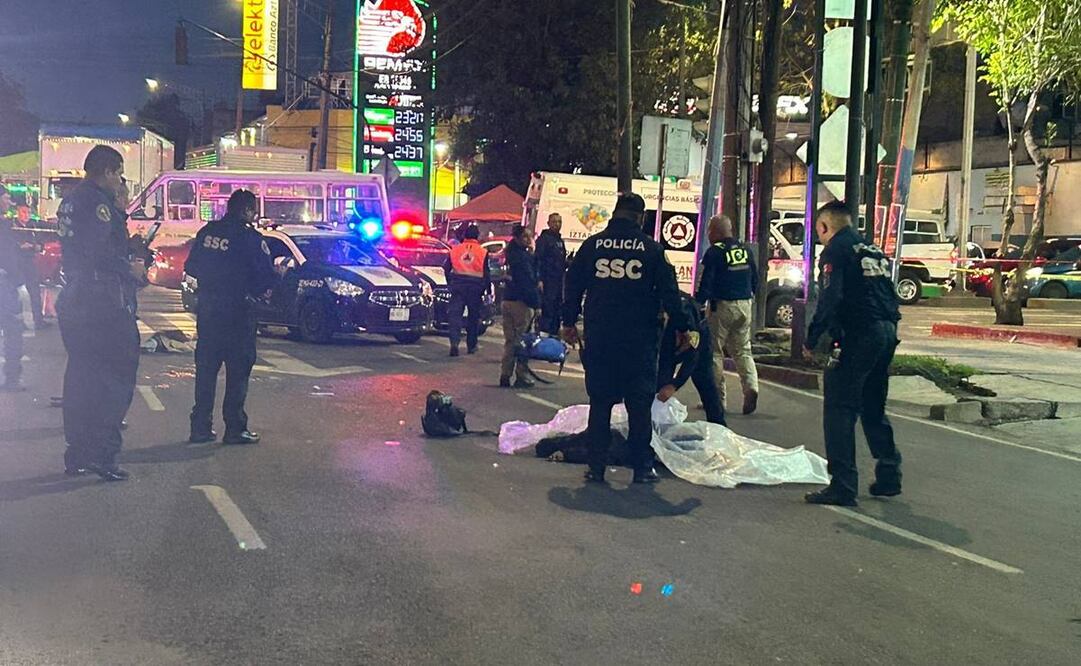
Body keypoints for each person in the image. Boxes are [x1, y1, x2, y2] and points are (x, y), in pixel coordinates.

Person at [562, 192, 688, 484]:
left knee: (601, 403)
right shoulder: (652, 250)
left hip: (601, 337)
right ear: (640, 218)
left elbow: (573, 284)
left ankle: (596, 467)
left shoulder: (593, 246)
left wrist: (568, 322)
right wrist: (682, 326)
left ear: (614, 214)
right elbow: (670, 294)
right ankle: (642, 468)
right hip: (639, 340)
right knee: (639, 405)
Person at [802, 201, 902, 507]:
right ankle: (889, 473)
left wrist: (812, 337)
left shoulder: (834, 250)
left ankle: (843, 485)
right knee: (872, 405)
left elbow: (830, 298)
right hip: (886, 331)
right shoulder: (871, 248)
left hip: (859, 334)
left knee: (839, 408)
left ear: (824, 227)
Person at [55, 145, 146, 481]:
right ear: (107, 171)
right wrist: (130, 268)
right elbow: (98, 254)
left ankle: (77, 451)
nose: (119, 179)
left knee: (81, 377)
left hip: (77, 298)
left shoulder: (71, 200)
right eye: (118, 173)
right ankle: (103, 453)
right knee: (115, 378)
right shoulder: (97, 204)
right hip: (102, 301)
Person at [184, 189, 276, 445]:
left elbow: (191, 266)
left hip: (209, 311)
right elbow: (265, 277)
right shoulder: (250, 239)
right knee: (237, 373)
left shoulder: (208, 232)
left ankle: (200, 427)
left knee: (206, 370)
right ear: (247, 211)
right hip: (238, 314)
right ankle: (235, 428)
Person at [696, 214, 760, 415]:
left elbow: (705, 281)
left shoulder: (714, 252)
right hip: (745, 304)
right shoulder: (744, 250)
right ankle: (751, 386)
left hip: (722, 305)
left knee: (714, 352)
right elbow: (755, 277)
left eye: (709, 230)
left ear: (715, 231)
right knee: (743, 350)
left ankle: (717, 401)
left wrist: (698, 304)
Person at [656, 294, 726, 425]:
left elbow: (692, 358)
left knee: (704, 379)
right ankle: (656, 425)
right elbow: (664, 360)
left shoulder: (690, 326)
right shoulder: (660, 327)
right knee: (660, 385)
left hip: (700, 339)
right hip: (670, 341)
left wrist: (674, 385)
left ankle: (719, 424)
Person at [500, 224, 540, 388]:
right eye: (525, 237)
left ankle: (505, 374)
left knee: (510, 341)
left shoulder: (509, 254)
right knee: (523, 341)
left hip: (507, 299)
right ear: (517, 238)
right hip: (520, 303)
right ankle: (521, 376)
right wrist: (536, 304)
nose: (528, 239)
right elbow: (527, 283)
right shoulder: (522, 257)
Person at [444, 224, 491, 357]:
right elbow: (486, 273)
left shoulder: (455, 250)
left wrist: (450, 282)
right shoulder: (482, 252)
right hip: (475, 288)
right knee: (473, 317)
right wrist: (487, 290)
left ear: (465, 235)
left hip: (458, 286)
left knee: (455, 316)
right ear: (477, 236)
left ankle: (454, 343)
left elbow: (446, 268)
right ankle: (471, 345)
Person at [14, 206, 49, 330]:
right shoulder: (13, 227)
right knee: (16, 293)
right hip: (17, 263)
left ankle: (38, 320)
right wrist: (22, 246)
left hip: (30, 262)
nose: (26, 214)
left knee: (35, 292)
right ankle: (18, 322)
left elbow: (40, 243)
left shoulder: (32, 227)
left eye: (28, 212)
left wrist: (35, 246)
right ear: (17, 212)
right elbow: (14, 244)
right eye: (24, 212)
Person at [0, 213, 25, 392]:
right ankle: (12, 377)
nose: (8, 200)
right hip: (5, 283)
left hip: (6, 282)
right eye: (5, 196)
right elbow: (10, 257)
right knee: (13, 328)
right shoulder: (4, 227)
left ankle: (12, 376)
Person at [534, 212, 567, 335]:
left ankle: (554, 334)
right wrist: (539, 279)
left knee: (557, 308)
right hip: (547, 280)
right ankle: (544, 335)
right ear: (548, 223)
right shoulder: (544, 240)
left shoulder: (559, 241)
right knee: (547, 308)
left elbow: (561, 260)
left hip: (558, 281)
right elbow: (538, 260)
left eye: (559, 222)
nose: (557, 224)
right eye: (554, 222)